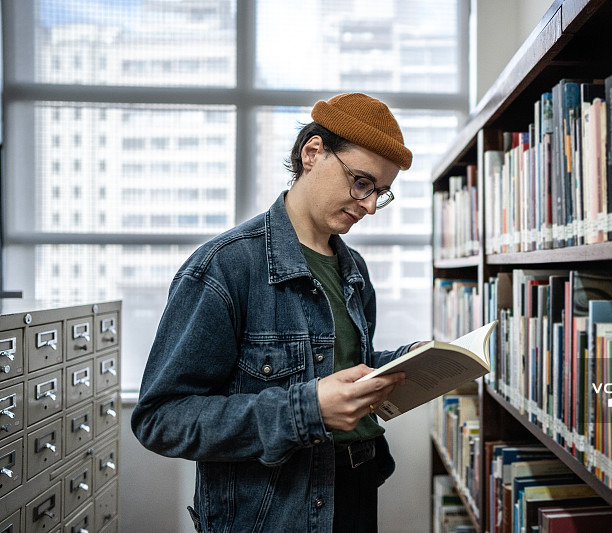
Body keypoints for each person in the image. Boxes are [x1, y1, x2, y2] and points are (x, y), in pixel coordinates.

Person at [131, 93, 422, 533]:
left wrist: (410, 361)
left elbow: (336, 366)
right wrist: (306, 411)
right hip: (271, 512)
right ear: (313, 153)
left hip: (357, 488)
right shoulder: (225, 267)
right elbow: (161, 418)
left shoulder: (353, 269)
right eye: (361, 182)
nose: (367, 205)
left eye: (380, 193)